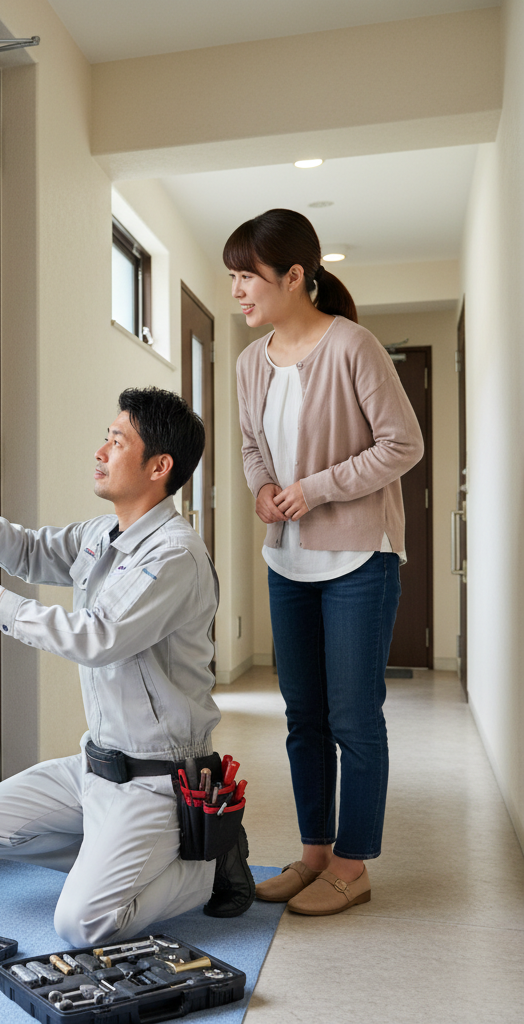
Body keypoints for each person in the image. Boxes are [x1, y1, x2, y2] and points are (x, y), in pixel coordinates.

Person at [0, 386, 254, 947]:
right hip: (94, 768)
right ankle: (121, 861)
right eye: (106, 436)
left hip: (157, 781)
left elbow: (99, 638)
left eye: (117, 441)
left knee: (83, 925)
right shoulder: (102, 533)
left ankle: (206, 865)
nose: (100, 451)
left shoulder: (174, 554)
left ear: (159, 467)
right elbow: (31, 552)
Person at [229, 209, 424, 916]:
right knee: (302, 716)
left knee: (354, 719)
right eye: (232, 277)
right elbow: (252, 445)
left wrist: (313, 489)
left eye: (248, 276)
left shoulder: (353, 346)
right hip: (288, 561)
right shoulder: (250, 362)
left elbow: (402, 444)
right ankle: (314, 853)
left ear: (294, 276)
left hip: (358, 558)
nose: (238, 290)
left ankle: (352, 864)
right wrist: (261, 488)